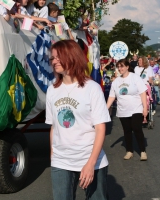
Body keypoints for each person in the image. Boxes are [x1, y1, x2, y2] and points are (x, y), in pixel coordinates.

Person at [46, 40, 110, 200]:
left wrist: (91, 163)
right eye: (52, 58)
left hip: (90, 158)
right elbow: (54, 126)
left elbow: (100, 128)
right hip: (61, 161)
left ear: (72, 56)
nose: (54, 61)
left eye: (58, 57)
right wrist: (53, 154)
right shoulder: (52, 90)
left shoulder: (92, 88)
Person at [106, 59, 148, 161]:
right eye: (118, 67)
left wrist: (145, 108)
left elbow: (143, 93)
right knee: (127, 131)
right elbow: (112, 96)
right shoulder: (116, 81)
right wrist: (105, 109)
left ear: (127, 67)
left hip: (136, 108)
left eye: (122, 66)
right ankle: (129, 151)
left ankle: (142, 151)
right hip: (122, 110)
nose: (120, 69)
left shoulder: (135, 77)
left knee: (136, 128)